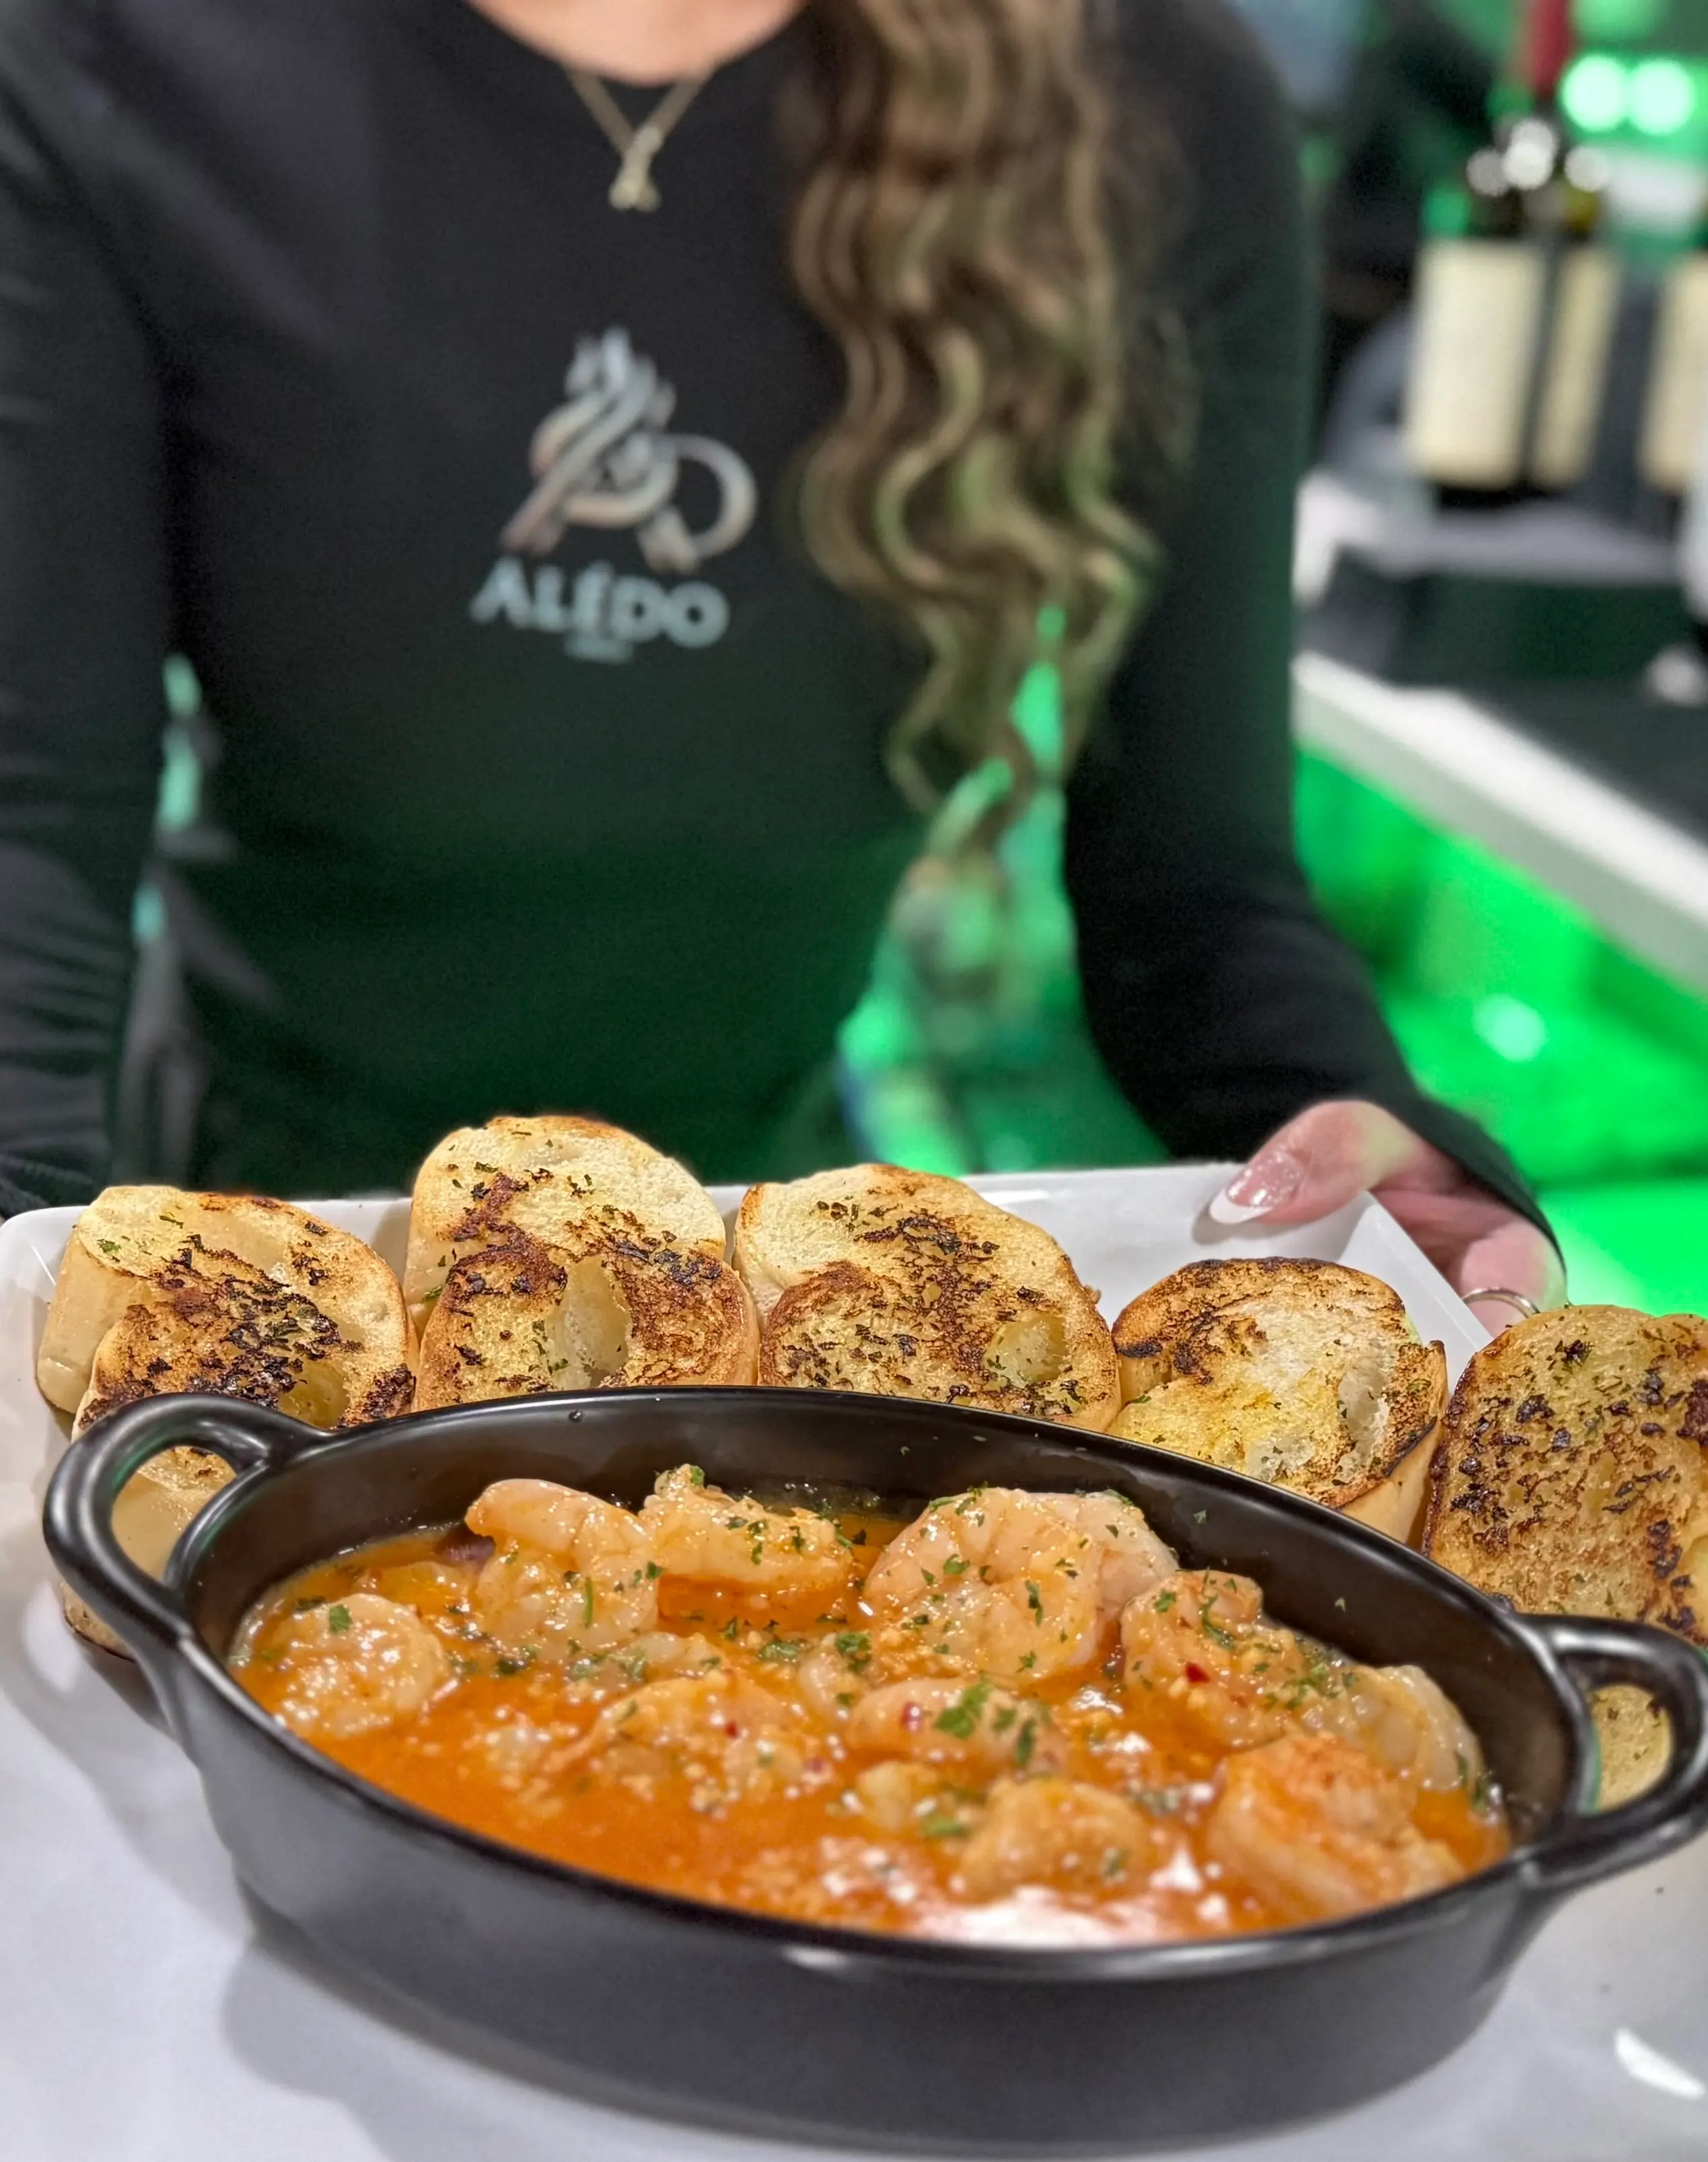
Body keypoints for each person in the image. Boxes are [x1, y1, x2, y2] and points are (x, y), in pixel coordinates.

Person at [0, 0, 1560, 1324]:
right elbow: (32, 844)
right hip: (257, 1260)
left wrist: (1379, 1160)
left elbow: (1198, 902)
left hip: (776, 1288)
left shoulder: (1144, 101)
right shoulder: (122, 56)